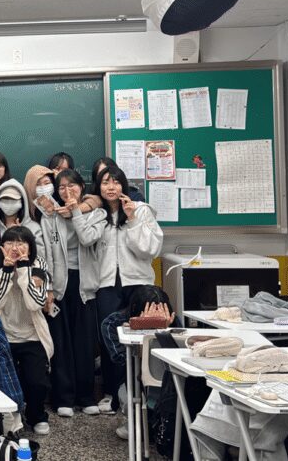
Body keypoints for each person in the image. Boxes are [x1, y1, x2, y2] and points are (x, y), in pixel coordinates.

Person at [73, 165, 163, 414]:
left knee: (142, 339)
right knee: (110, 340)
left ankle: (144, 392)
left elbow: (149, 249)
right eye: (105, 182)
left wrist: (132, 218)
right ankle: (114, 394)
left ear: (123, 184)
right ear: (98, 187)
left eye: (115, 182)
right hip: (106, 284)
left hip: (138, 283)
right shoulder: (98, 214)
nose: (111, 187)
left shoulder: (141, 210)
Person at [24, 164, 99, 418]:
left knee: (84, 342)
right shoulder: (50, 216)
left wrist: (76, 210)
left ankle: (86, 396)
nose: (67, 191)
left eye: (72, 186)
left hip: (85, 284)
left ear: (82, 187)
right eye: (62, 187)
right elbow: (45, 253)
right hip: (58, 285)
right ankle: (63, 397)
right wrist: (48, 288)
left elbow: (87, 238)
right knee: (61, 343)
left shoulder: (95, 213)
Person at [0, 225, 53, 436]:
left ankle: (37, 416)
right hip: (4, 336)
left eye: (21, 243)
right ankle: (9, 417)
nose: (15, 247)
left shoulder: (39, 266)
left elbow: (36, 303)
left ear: (30, 247)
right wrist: (7, 272)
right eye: (10, 242)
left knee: (37, 382)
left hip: (32, 336)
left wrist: (23, 269)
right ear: (2, 246)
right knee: (4, 380)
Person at [99, 285, 176, 440]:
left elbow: (176, 359)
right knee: (129, 389)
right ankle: (138, 421)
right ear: (135, 310)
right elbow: (122, 360)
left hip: (166, 381)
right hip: (132, 381)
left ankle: (161, 423)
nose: (157, 318)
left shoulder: (172, 322)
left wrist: (163, 330)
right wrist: (141, 330)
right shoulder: (114, 322)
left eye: (160, 315)